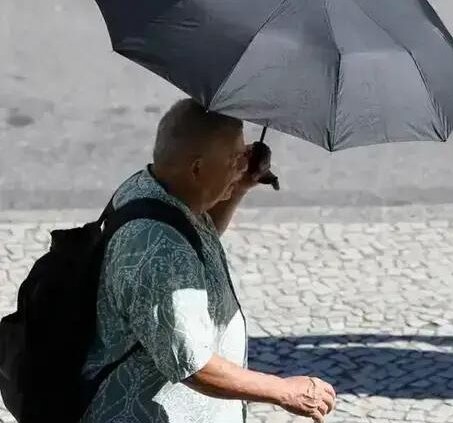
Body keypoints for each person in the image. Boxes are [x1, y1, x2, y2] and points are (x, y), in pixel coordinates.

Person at [82, 99, 336, 422]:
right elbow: (193, 364)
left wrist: (238, 186)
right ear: (197, 168)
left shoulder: (158, 189)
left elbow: (199, 238)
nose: (244, 165)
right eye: (236, 159)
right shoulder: (158, 252)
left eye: (245, 156)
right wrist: (284, 391)